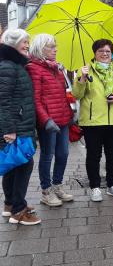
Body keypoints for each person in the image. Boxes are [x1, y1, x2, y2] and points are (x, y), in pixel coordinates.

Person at [72, 39, 113, 202]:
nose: (105, 54)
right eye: (101, 51)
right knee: (93, 155)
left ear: (111, 53)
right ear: (95, 53)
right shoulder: (85, 70)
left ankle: (112, 185)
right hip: (92, 122)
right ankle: (95, 187)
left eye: (108, 51)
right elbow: (76, 95)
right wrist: (82, 79)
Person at [26, 34, 74, 207]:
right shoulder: (33, 68)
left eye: (55, 46)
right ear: (41, 49)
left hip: (62, 118)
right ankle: (46, 191)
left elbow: (63, 94)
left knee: (63, 153)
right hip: (48, 121)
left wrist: (70, 113)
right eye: (51, 46)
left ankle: (57, 185)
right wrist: (45, 120)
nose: (55, 49)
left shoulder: (57, 68)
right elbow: (35, 99)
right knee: (47, 156)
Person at [0, 29, 41, 225]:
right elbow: (3, 101)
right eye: (24, 42)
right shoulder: (8, 66)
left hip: (18, 124)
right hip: (15, 126)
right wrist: (8, 130)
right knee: (24, 164)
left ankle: (10, 204)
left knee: (13, 164)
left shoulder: (15, 65)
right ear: (13, 43)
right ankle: (19, 210)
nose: (27, 45)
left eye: (28, 41)